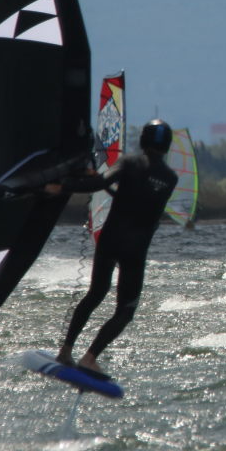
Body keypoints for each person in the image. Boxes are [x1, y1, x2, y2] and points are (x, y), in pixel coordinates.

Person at [55, 119, 179, 376]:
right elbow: (141, 200)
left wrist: (63, 186)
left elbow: (101, 185)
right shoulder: (170, 178)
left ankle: (65, 351)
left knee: (95, 294)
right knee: (125, 310)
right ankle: (90, 358)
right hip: (136, 249)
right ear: (167, 145)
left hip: (110, 240)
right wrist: (110, 187)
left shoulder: (130, 162)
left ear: (143, 140)